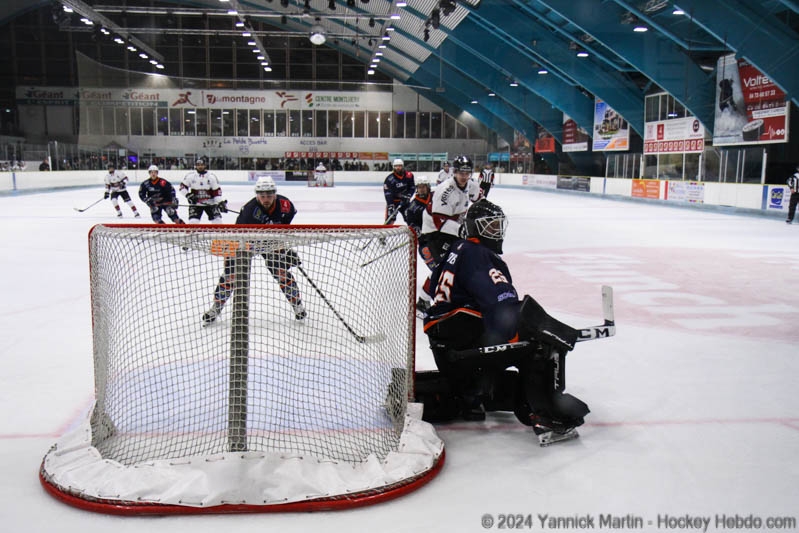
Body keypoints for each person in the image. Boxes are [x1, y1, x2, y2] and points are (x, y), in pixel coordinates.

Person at [418, 199, 589, 446]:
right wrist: (530, 331)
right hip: (462, 347)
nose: (496, 232)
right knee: (536, 345)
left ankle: (473, 396)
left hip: (445, 345)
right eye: (490, 226)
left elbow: (433, 287)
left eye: (498, 225)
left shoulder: (455, 250)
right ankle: (548, 417)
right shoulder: (480, 255)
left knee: (510, 340)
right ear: (475, 228)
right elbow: (501, 305)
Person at [202, 176, 306, 325]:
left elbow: (285, 228)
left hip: (271, 242)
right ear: (257, 195)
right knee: (231, 274)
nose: (266, 199)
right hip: (247, 243)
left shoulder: (286, 205)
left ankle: (297, 304)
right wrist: (230, 260)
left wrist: (284, 250)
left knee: (280, 271)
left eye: (269, 195)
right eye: (262, 196)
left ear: (274, 194)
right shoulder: (249, 211)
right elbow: (237, 238)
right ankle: (217, 306)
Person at [420, 154, 480, 268]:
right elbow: (439, 221)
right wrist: (462, 230)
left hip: (453, 228)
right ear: (455, 172)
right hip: (434, 232)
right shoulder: (444, 190)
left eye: (467, 173)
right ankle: (433, 284)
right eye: (461, 173)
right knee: (445, 268)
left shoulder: (471, 184)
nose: (464, 176)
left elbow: (478, 198)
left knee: (464, 262)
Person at [180, 157, 226, 222]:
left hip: (211, 204)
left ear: (205, 165)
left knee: (218, 221)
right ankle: (194, 233)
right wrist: (188, 195)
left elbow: (216, 192)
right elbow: (182, 187)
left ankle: (218, 232)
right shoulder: (190, 176)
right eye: (198, 165)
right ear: (195, 166)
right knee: (193, 222)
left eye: (202, 165)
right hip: (196, 204)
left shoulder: (211, 177)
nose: (200, 166)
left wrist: (220, 203)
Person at [404, 175, 436, 270]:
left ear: (428, 187)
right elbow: (412, 226)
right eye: (419, 187)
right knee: (425, 251)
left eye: (424, 187)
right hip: (426, 240)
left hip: (441, 235)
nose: (421, 189)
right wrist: (417, 230)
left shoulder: (436, 197)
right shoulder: (412, 207)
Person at [382, 158, 415, 224]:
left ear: (402, 166)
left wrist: (408, 195)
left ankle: (414, 233)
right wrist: (390, 205)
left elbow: (412, 187)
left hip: (405, 201)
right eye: (396, 166)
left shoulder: (409, 176)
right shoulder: (390, 179)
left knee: (410, 219)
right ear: (393, 167)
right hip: (394, 202)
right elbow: (388, 193)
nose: (398, 168)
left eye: (400, 166)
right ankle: (388, 233)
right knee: (390, 220)